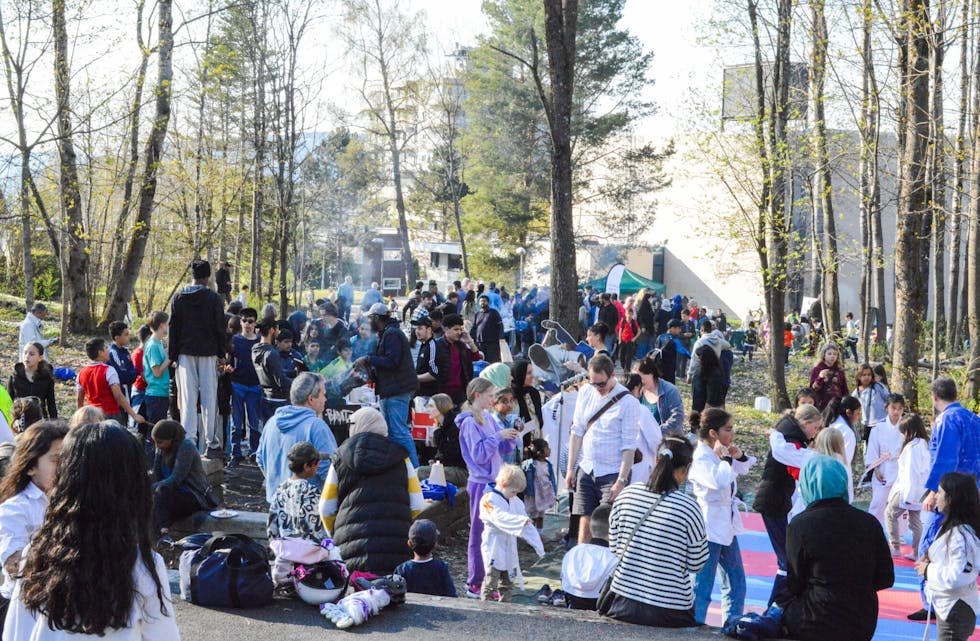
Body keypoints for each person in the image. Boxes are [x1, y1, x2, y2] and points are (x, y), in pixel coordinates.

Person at [3, 421, 179, 640]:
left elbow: (15, 633)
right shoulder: (141, 566)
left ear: (65, 481)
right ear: (133, 488)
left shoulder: (37, 555)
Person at [772, 455, 894, 641]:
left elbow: (795, 583)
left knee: (777, 608)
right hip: (862, 620)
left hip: (815, 618)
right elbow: (885, 578)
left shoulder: (800, 525)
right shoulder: (869, 523)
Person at [603, 436, 707, 627]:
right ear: (686, 469)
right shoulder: (690, 508)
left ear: (656, 460)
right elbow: (696, 564)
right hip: (672, 609)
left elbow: (615, 548)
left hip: (623, 602)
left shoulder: (627, 495)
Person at [320, 407, 424, 574]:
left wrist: (337, 531)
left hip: (351, 549)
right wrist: (401, 521)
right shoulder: (401, 458)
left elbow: (326, 508)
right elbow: (418, 503)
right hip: (397, 547)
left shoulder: (340, 458)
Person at [910, 376, 980, 621]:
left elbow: (945, 458)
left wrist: (933, 491)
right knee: (966, 542)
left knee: (930, 543)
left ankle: (931, 601)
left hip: (949, 491)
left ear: (935, 396)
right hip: (972, 490)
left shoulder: (947, 419)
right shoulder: (974, 418)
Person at [689, 408, 755, 626]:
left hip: (726, 525)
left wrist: (737, 457)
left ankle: (733, 623)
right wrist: (726, 459)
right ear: (713, 433)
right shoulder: (701, 457)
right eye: (728, 429)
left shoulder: (719, 454)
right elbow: (718, 482)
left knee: (736, 582)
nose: (732, 433)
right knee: (702, 585)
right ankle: (693, 625)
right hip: (708, 527)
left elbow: (743, 470)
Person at [566, 354, 641, 545]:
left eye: (601, 384)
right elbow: (577, 432)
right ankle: (583, 566)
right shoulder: (585, 393)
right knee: (584, 523)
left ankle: (606, 570)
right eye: (593, 383)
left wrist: (621, 480)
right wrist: (570, 469)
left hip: (612, 471)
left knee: (607, 526)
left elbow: (629, 446)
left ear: (612, 375)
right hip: (587, 466)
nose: (597, 389)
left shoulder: (629, 402)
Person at [752, 403, 823, 605]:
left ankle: (779, 605)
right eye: (815, 428)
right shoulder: (786, 440)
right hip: (773, 501)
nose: (815, 433)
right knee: (787, 560)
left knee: (789, 559)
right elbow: (787, 453)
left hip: (779, 501)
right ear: (804, 423)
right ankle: (775, 606)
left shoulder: (789, 438)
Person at [0, 421, 67, 625]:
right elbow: (14, 565)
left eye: (68, 459)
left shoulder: (70, 502)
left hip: (59, 607)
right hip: (19, 608)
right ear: (30, 467)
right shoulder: (14, 508)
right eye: (56, 460)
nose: (64, 467)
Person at [458, 378, 518, 598]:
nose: (493, 400)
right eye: (490, 395)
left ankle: (489, 580)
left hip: (493, 482)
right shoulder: (468, 423)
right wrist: (498, 436)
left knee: (494, 533)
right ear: (477, 395)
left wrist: (510, 437)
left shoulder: (489, 418)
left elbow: (499, 449)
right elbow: (480, 455)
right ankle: (474, 582)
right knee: (479, 533)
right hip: (479, 483)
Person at [169, 259, 226, 458]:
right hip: (208, 353)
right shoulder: (213, 298)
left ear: (192, 276)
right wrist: (222, 354)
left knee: (187, 399)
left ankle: (189, 440)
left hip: (185, 353)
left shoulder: (178, 298)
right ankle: (211, 442)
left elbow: (173, 329)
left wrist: (173, 355)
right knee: (209, 399)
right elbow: (220, 327)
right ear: (208, 276)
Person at [353, 303, 419, 468]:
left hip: (397, 389)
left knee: (399, 432)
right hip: (390, 389)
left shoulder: (392, 334)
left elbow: (392, 361)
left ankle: (416, 471)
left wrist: (368, 359)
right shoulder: (386, 334)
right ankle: (401, 469)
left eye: (370, 318)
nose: (369, 322)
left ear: (376, 318)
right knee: (393, 432)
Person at [915, 472, 980, 641]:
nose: (936, 496)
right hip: (950, 607)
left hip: (956, 609)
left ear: (952, 498)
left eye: (940, 492)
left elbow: (958, 575)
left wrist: (928, 570)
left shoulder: (962, 535)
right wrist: (932, 557)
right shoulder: (953, 528)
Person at [256, 372, 337, 504]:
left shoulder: (271, 422)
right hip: (308, 511)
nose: (325, 399)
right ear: (311, 399)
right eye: (323, 394)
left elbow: (260, 459)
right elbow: (330, 471)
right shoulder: (316, 426)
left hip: (277, 508)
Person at [479, 464, 545, 602]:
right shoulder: (488, 500)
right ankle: (484, 606)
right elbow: (498, 517)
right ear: (503, 484)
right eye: (514, 491)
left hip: (509, 545)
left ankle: (506, 606)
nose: (515, 495)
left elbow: (525, 523)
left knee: (507, 581)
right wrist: (520, 521)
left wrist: (538, 546)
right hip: (494, 545)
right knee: (491, 579)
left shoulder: (514, 501)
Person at [150, 419, 218, 535]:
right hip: (170, 494)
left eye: (160, 442)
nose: (157, 446)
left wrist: (152, 488)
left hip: (192, 495)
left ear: (171, 439)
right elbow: (156, 474)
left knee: (160, 492)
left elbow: (176, 479)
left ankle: (163, 529)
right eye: (155, 442)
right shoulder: (160, 450)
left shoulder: (186, 447)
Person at [886, 413, 930, 559]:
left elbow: (912, 472)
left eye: (904, 432)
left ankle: (895, 546)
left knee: (890, 513)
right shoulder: (923, 444)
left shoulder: (913, 447)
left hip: (909, 489)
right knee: (915, 521)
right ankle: (917, 552)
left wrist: (909, 495)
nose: (903, 435)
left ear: (909, 431)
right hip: (919, 490)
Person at [267, 442, 329, 543]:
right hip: (308, 554)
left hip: (285, 551)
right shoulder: (312, 492)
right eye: (316, 463)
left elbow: (272, 526)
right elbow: (317, 529)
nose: (318, 466)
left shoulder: (280, 489)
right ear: (306, 466)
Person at [560, 502, 617, 611]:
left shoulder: (573, 552)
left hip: (573, 602)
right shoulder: (614, 558)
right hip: (600, 606)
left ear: (590, 528)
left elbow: (563, 579)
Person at [77, 338, 145, 428]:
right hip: (111, 415)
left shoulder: (81, 372)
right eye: (106, 348)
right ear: (100, 352)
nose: (109, 350)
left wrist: (80, 418)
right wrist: (134, 415)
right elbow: (118, 396)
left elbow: (79, 399)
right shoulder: (109, 370)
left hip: (92, 416)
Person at [864, 393, 905, 526]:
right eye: (893, 408)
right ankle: (872, 530)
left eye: (900, 408)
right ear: (887, 407)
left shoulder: (906, 426)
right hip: (883, 467)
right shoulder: (878, 427)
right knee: (878, 502)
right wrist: (876, 469)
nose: (896, 411)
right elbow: (872, 450)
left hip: (900, 469)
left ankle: (899, 535)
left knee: (899, 504)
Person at [229, 307, 262, 468]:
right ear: (240, 322)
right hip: (237, 383)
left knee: (254, 421)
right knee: (236, 421)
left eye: (250, 321)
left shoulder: (259, 341)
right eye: (244, 321)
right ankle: (235, 453)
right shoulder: (235, 340)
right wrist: (227, 368)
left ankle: (254, 451)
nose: (247, 324)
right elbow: (228, 360)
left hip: (255, 385)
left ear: (255, 323)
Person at [394, 519, 456, 597]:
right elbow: (451, 595)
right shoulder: (441, 568)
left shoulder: (402, 570)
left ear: (409, 544)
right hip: (437, 608)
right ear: (435, 545)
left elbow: (395, 594)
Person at [621, 373, 663, 487]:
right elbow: (655, 440)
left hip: (617, 467)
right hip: (638, 467)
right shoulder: (641, 410)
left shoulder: (614, 407)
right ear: (636, 388)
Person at [435, 314, 482, 406]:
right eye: (456, 329)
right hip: (442, 391)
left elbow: (476, 357)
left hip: (461, 391)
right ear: (446, 329)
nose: (459, 332)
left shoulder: (461, 345)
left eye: (460, 329)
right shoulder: (437, 346)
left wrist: (470, 341)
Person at [636, 355, 685, 437]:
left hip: (668, 440)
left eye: (640, 378)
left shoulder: (670, 390)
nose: (638, 382)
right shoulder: (637, 390)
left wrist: (656, 432)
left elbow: (677, 418)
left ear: (651, 373)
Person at [253, 318, 291, 420]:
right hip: (279, 401)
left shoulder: (255, 349)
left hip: (265, 398)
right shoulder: (272, 353)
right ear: (272, 330)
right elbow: (280, 381)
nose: (278, 333)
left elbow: (268, 371)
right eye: (277, 330)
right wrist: (298, 382)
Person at [7, 343, 57, 419]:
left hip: (40, 418)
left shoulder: (47, 377)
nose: (27, 356)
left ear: (40, 358)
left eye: (31, 354)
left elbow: (51, 403)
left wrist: (55, 424)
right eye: (25, 353)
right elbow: (8, 401)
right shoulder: (14, 376)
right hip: (19, 418)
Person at [142, 311, 171, 425]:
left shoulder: (158, 343)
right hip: (156, 395)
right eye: (168, 323)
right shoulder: (153, 345)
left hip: (162, 393)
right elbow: (157, 372)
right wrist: (169, 358)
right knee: (155, 434)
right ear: (162, 325)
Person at [522, 438, 556, 532]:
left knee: (541, 515)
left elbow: (551, 480)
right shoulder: (530, 465)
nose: (550, 450)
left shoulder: (548, 465)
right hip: (534, 494)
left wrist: (553, 493)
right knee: (533, 516)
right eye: (547, 448)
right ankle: (532, 535)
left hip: (544, 494)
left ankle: (539, 534)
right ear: (539, 452)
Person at [812, 427, 853, 504]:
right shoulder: (842, 465)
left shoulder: (811, 462)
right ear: (840, 444)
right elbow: (848, 491)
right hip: (840, 508)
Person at [853, 362, 889, 440]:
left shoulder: (878, 387)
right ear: (859, 377)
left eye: (869, 375)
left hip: (881, 423)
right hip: (867, 424)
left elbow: (889, 399)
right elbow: (851, 401)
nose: (866, 377)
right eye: (864, 375)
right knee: (868, 446)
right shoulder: (858, 390)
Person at [808, 343, 848, 410]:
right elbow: (813, 389)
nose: (832, 356)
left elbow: (844, 389)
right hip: (822, 406)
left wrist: (845, 402)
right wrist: (820, 378)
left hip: (837, 405)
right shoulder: (817, 369)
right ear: (824, 355)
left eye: (835, 354)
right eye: (829, 354)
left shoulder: (840, 371)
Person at [823, 395, 860, 466]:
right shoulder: (847, 432)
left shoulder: (831, 425)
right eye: (857, 413)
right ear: (848, 412)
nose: (858, 417)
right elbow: (845, 461)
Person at [107, 321, 138, 403]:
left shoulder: (125, 351)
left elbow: (132, 368)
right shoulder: (113, 354)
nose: (129, 336)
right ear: (117, 338)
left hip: (128, 391)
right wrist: (135, 371)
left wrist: (134, 371)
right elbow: (124, 377)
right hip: (119, 395)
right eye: (126, 334)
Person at [691, 343, 725, 412]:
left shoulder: (714, 373)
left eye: (699, 358)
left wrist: (706, 411)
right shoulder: (701, 369)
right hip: (698, 404)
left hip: (709, 409)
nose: (698, 360)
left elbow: (712, 395)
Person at [473, 294, 504, 363]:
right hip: (480, 343)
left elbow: (500, 325)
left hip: (492, 343)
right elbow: (474, 327)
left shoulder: (494, 313)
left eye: (484, 301)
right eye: (481, 301)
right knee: (481, 362)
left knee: (492, 362)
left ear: (488, 302)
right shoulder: (477, 314)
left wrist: (501, 337)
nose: (482, 303)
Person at [413, 316, 439, 398]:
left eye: (420, 328)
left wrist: (413, 378)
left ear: (429, 329)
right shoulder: (423, 344)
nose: (417, 331)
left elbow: (434, 373)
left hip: (428, 395)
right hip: (419, 392)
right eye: (416, 329)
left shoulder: (432, 345)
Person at [616, 306, 639, 372]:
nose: (629, 315)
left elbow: (639, 331)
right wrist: (619, 339)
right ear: (625, 314)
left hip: (630, 340)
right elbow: (620, 330)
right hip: (623, 340)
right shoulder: (623, 320)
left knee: (629, 356)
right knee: (621, 355)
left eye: (631, 314)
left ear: (632, 314)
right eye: (628, 313)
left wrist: (634, 338)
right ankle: (623, 366)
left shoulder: (634, 322)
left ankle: (627, 369)